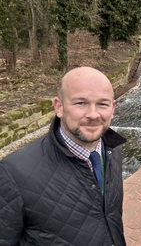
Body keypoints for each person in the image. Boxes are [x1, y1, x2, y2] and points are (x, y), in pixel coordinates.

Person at [0, 67, 127, 245]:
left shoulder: (113, 150)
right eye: (80, 103)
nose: (93, 114)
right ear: (59, 107)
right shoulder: (13, 173)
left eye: (102, 104)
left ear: (112, 108)